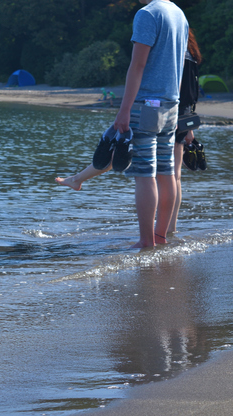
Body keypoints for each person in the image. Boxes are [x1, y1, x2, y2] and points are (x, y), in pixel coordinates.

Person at [56, 0, 188, 248]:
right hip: (171, 105)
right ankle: (160, 237)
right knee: (166, 171)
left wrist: (124, 110)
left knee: (144, 174)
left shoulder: (148, 14)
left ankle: (145, 241)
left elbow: (137, 66)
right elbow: (178, 66)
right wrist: (175, 102)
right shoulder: (179, 14)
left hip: (147, 105)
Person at [168, 28, 202, 233]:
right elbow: (193, 93)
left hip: (170, 113)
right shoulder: (191, 55)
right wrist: (191, 127)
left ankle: (163, 227)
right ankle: (171, 226)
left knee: (162, 175)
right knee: (176, 175)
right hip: (185, 116)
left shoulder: (175, 54)